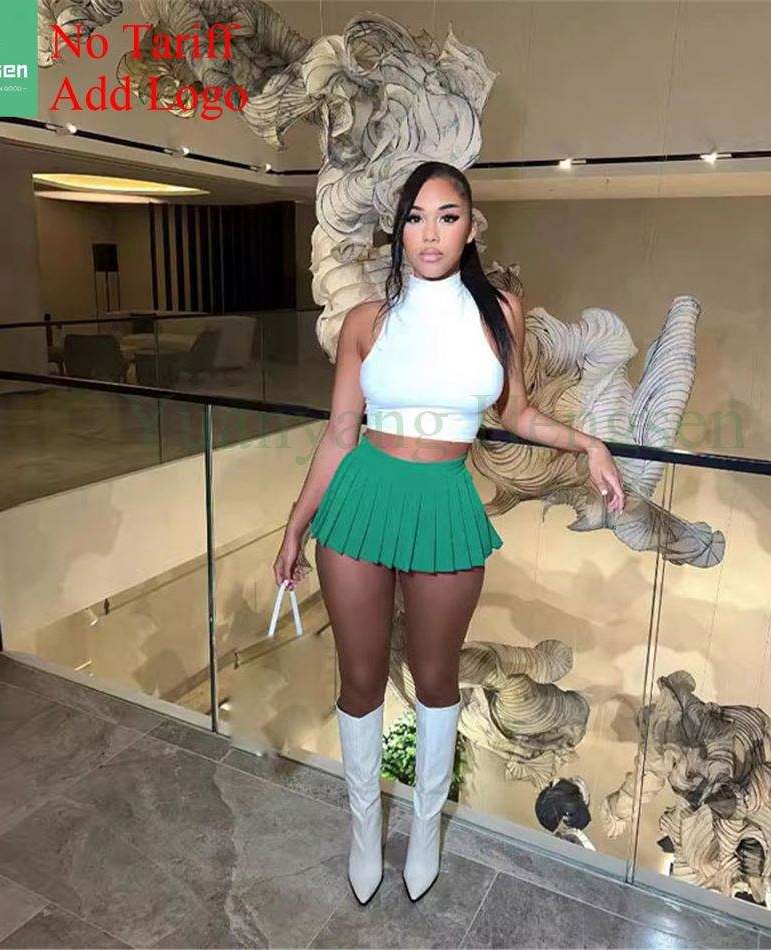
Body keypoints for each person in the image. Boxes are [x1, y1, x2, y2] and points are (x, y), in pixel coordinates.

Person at [273, 160, 625, 906]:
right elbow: (339, 434)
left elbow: (516, 414)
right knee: (360, 680)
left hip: (444, 505)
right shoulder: (367, 321)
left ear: (470, 228)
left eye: (447, 217)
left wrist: (588, 443)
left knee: (436, 681)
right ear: (398, 230)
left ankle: (426, 828)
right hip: (361, 500)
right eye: (416, 217)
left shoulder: (500, 312)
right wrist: (295, 527)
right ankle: (364, 829)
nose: (429, 233)